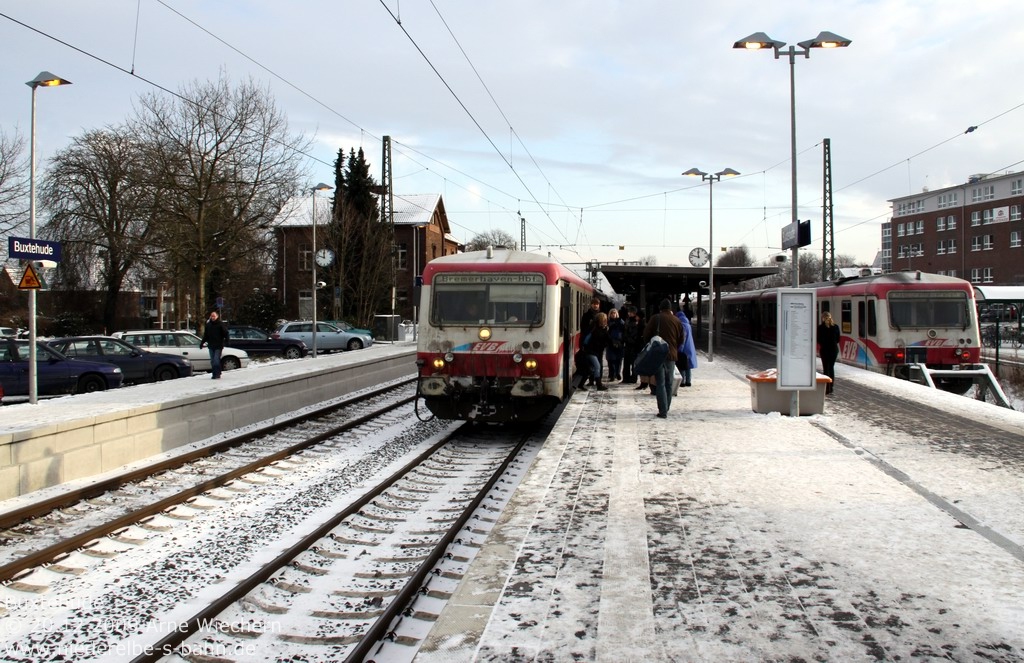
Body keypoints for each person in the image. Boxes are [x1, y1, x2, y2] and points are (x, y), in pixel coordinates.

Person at [642, 299, 683, 418]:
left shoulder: (656, 318)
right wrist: (674, 347)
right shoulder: (677, 320)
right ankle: (666, 407)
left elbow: (646, 335)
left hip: (658, 355)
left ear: (660, 307)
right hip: (671, 355)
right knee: (669, 383)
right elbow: (681, 339)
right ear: (671, 309)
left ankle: (663, 410)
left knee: (660, 382)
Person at [579, 312, 610, 391]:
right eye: (604, 320)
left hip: (595, 351)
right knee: (597, 366)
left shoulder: (598, 328)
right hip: (591, 351)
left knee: (591, 368)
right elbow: (599, 339)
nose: (605, 321)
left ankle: (581, 384)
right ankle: (599, 385)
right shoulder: (595, 329)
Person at [200, 310, 230, 379]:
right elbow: (206, 335)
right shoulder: (208, 325)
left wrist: (227, 341)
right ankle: (216, 372)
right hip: (211, 345)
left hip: (218, 345)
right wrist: (202, 343)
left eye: (214, 316)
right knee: (212, 361)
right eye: (211, 316)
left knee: (216, 360)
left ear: (217, 316)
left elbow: (226, 333)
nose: (212, 317)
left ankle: (216, 374)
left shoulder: (220, 324)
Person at [580, 297, 602, 385]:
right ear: (591, 305)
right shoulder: (586, 315)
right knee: (592, 363)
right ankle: (591, 380)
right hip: (590, 343)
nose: (595, 305)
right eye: (594, 304)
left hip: (598, 342)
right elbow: (583, 328)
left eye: (597, 304)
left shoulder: (601, 315)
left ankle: (597, 379)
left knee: (598, 361)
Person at [818, 310, 840, 395]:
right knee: (831, 368)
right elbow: (838, 339)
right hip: (834, 350)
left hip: (824, 350)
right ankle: (831, 387)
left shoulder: (820, 328)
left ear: (822, 318)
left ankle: (827, 388)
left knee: (826, 369)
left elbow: (819, 340)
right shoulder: (836, 327)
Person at [675, 305, 697, 387]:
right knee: (688, 366)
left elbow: (683, 338)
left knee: (682, 365)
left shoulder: (682, 325)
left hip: (684, 349)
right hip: (690, 348)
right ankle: (688, 381)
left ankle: (683, 382)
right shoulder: (688, 324)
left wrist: (680, 349)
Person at [622, 306, 642, 384]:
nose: (630, 314)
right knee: (627, 362)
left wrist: (629, 339)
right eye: (629, 312)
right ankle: (626, 378)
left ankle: (633, 378)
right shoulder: (627, 321)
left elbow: (635, 333)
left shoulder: (636, 322)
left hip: (633, 345)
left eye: (631, 312)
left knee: (633, 363)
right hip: (628, 344)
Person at [605, 308, 625, 382]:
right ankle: (612, 374)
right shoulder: (607, 322)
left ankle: (617, 373)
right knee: (611, 360)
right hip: (610, 343)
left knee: (618, 360)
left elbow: (624, 331)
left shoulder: (621, 322)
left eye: (614, 313)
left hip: (619, 342)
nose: (613, 314)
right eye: (612, 313)